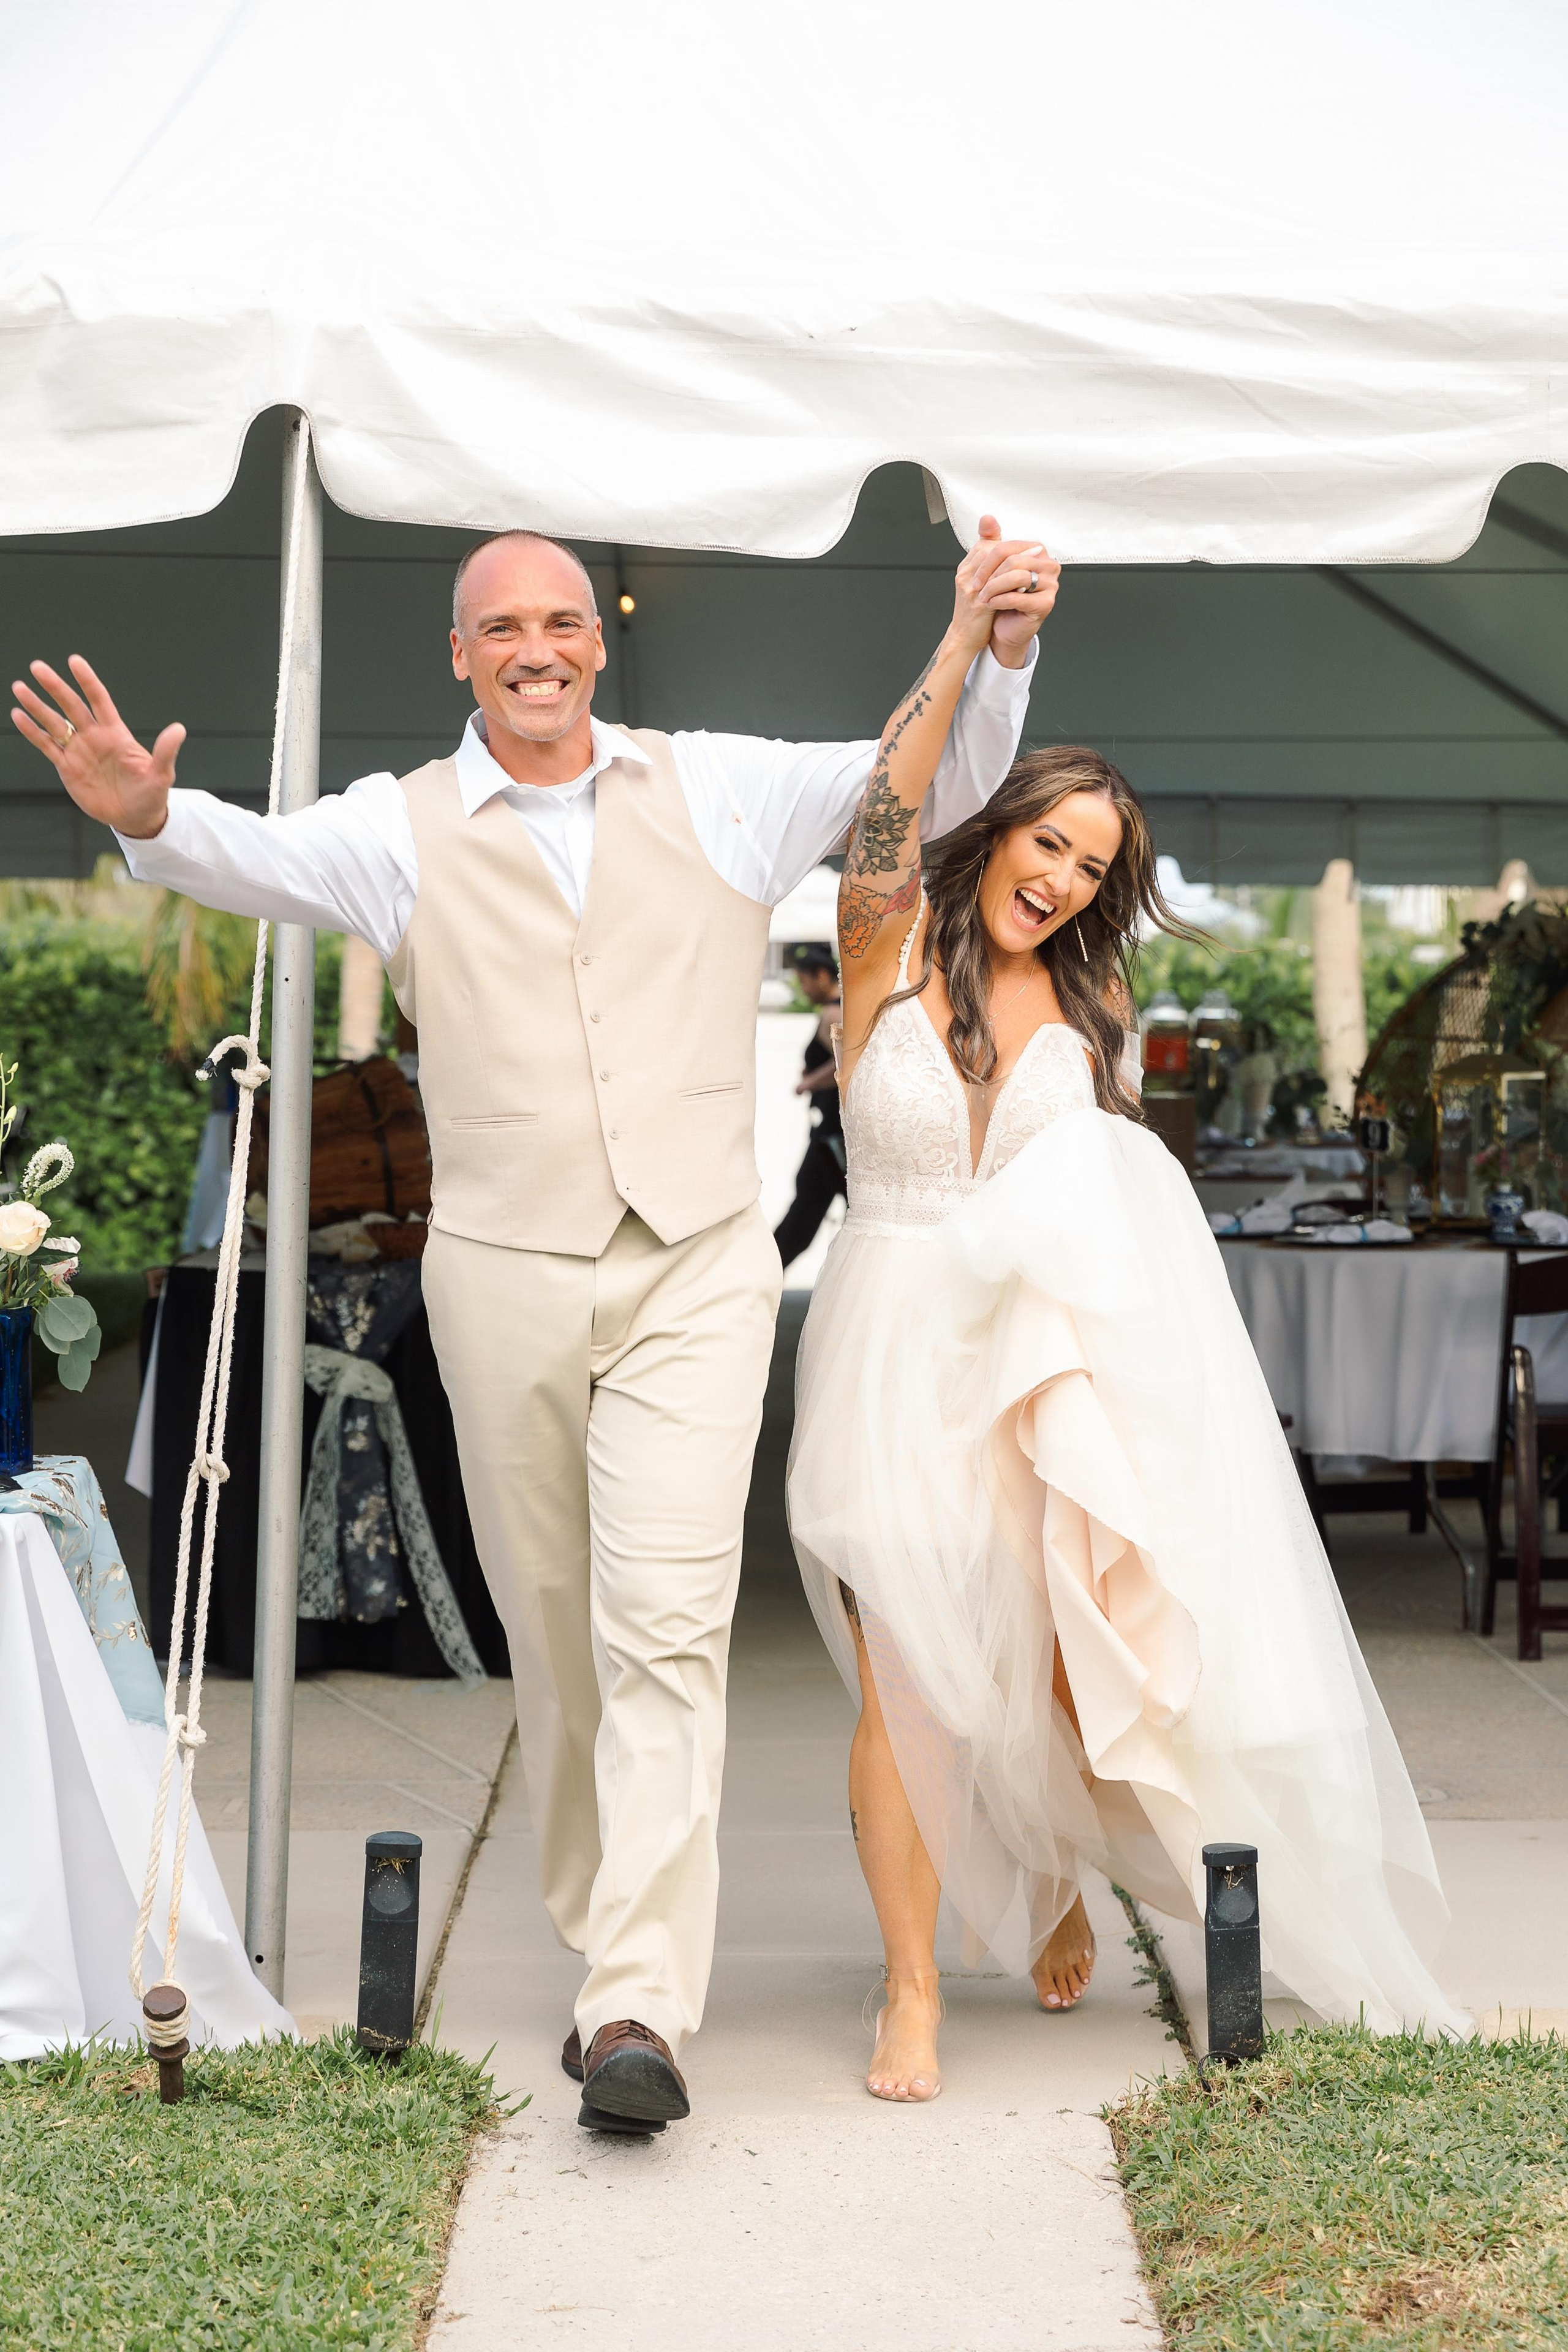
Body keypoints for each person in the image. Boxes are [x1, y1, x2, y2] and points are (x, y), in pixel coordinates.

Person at [11, 517, 1059, 2133]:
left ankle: (637, 2002)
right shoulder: (400, 826)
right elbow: (252, 852)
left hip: (697, 1265)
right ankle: (604, 1914)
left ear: (597, 641)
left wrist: (992, 650)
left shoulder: (710, 783)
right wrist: (154, 819)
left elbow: (917, 784)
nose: (538, 646)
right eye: (504, 625)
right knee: (555, 1631)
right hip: (497, 1270)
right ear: (461, 654)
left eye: (562, 619)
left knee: (667, 1625)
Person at [786, 624, 1469, 2104]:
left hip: (1036, 1354)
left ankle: (1047, 1880)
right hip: (890, 1338)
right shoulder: (879, 941)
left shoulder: (1092, 1012)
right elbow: (888, 802)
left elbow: (1116, 1209)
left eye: (1093, 866)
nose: (1062, 878)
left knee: (1038, 1652)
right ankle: (910, 1988)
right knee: (907, 1666)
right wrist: (967, 638)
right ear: (997, 826)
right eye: (1048, 839)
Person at [774, 945, 846, 1272]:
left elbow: (844, 1063)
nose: (803, 989)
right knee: (810, 1209)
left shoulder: (835, 1012)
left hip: (833, 1135)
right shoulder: (837, 1010)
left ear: (821, 976)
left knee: (804, 1211)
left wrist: (808, 1083)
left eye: (804, 981)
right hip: (831, 1133)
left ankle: (761, 1277)